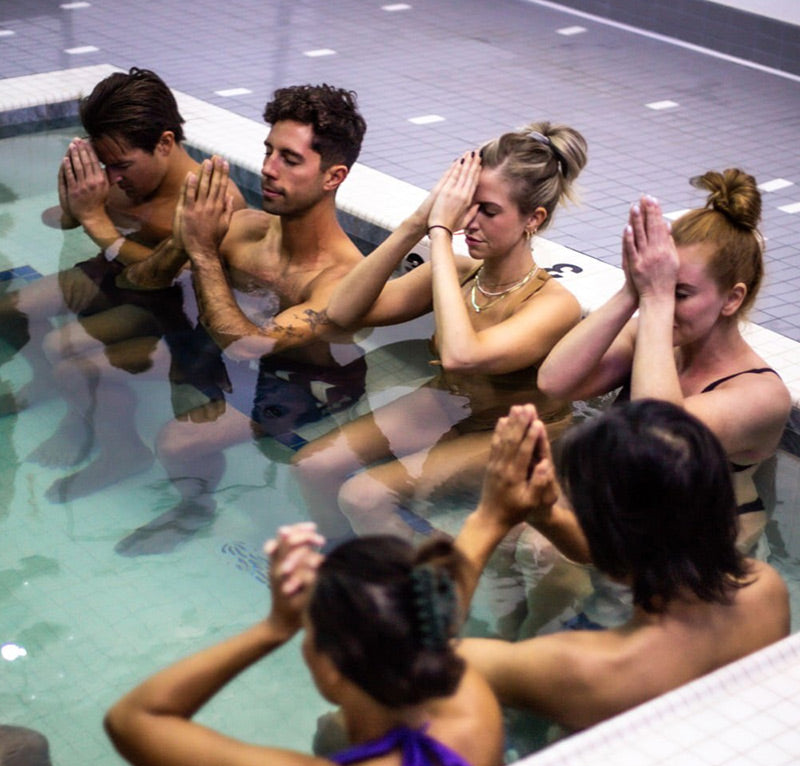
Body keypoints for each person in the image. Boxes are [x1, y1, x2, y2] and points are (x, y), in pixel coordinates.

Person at [292, 123, 587, 541]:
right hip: (451, 404)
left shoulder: (555, 305)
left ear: (532, 219)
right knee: (313, 466)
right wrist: (420, 220)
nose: (469, 221)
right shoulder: (463, 273)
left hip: (517, 433)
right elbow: (342, 313)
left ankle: (433, 591)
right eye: (467, 205)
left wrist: (441, 235)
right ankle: (345, 569)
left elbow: (460, 355)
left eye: (488, 210)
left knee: (364, 495)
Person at [107, 84, 369, 555]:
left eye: (290, 159)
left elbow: (249, 346)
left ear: (333, 177)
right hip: (231, 351)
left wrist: (204, 250)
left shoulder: (341, 277)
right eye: (269, 151)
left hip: (307, 380)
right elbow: (139, 283)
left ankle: (195, 506)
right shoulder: (246, 228)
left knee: (176, 441)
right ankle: (131, 460)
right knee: (94, 364)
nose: (267, 168)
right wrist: (183, 238)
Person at [104, 524, 504, 766]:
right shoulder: (477, 718)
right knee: (333, 732)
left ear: (329, 669)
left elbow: (132, 719)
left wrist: (275, 626)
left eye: (309, 634)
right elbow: (430, 618)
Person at [456, 401, 789, 731]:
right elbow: (650, 550)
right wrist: (547, 516)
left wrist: (489, 519)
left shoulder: (587, 669)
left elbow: (415, 650)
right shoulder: (765, 590)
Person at [538, 170, 792, 551]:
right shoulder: (652, 336)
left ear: (731, 298)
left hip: (700, 548)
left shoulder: (762, 394)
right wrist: (631, 289)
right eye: (659, 284)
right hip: (626, 513)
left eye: (682, 293)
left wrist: (655, 298)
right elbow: (554, 383)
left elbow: (654, 442)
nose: (664, 302)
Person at [0, 67, 244, 420]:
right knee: (9, 309)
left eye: (121, 165)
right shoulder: (125, 178)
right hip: (115, 274)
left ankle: (114, 437)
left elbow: (189, 280)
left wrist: (97, 222)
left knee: (63, 346)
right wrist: (73, 203)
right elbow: (63, 220)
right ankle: (44, 382)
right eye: (105, 164)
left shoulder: (210, 199)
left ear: (164, 142)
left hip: (168, 304)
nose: (112, 177)